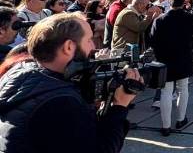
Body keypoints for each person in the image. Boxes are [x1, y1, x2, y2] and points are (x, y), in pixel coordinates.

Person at [0, 13, 140, 152]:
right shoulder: (61, 101)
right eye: (89, 40)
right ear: (68, 47)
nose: (94, 47)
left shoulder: (23, 70)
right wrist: (120, 105)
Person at [149, 0, 193, 136]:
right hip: (183, 58)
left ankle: (166, 126)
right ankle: (181, 119)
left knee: (166, 92)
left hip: (165, 59)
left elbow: (152, 40)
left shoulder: (160, 19)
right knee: (183, 89)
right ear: (184, 3)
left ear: (170, 3)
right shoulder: (189, 17)